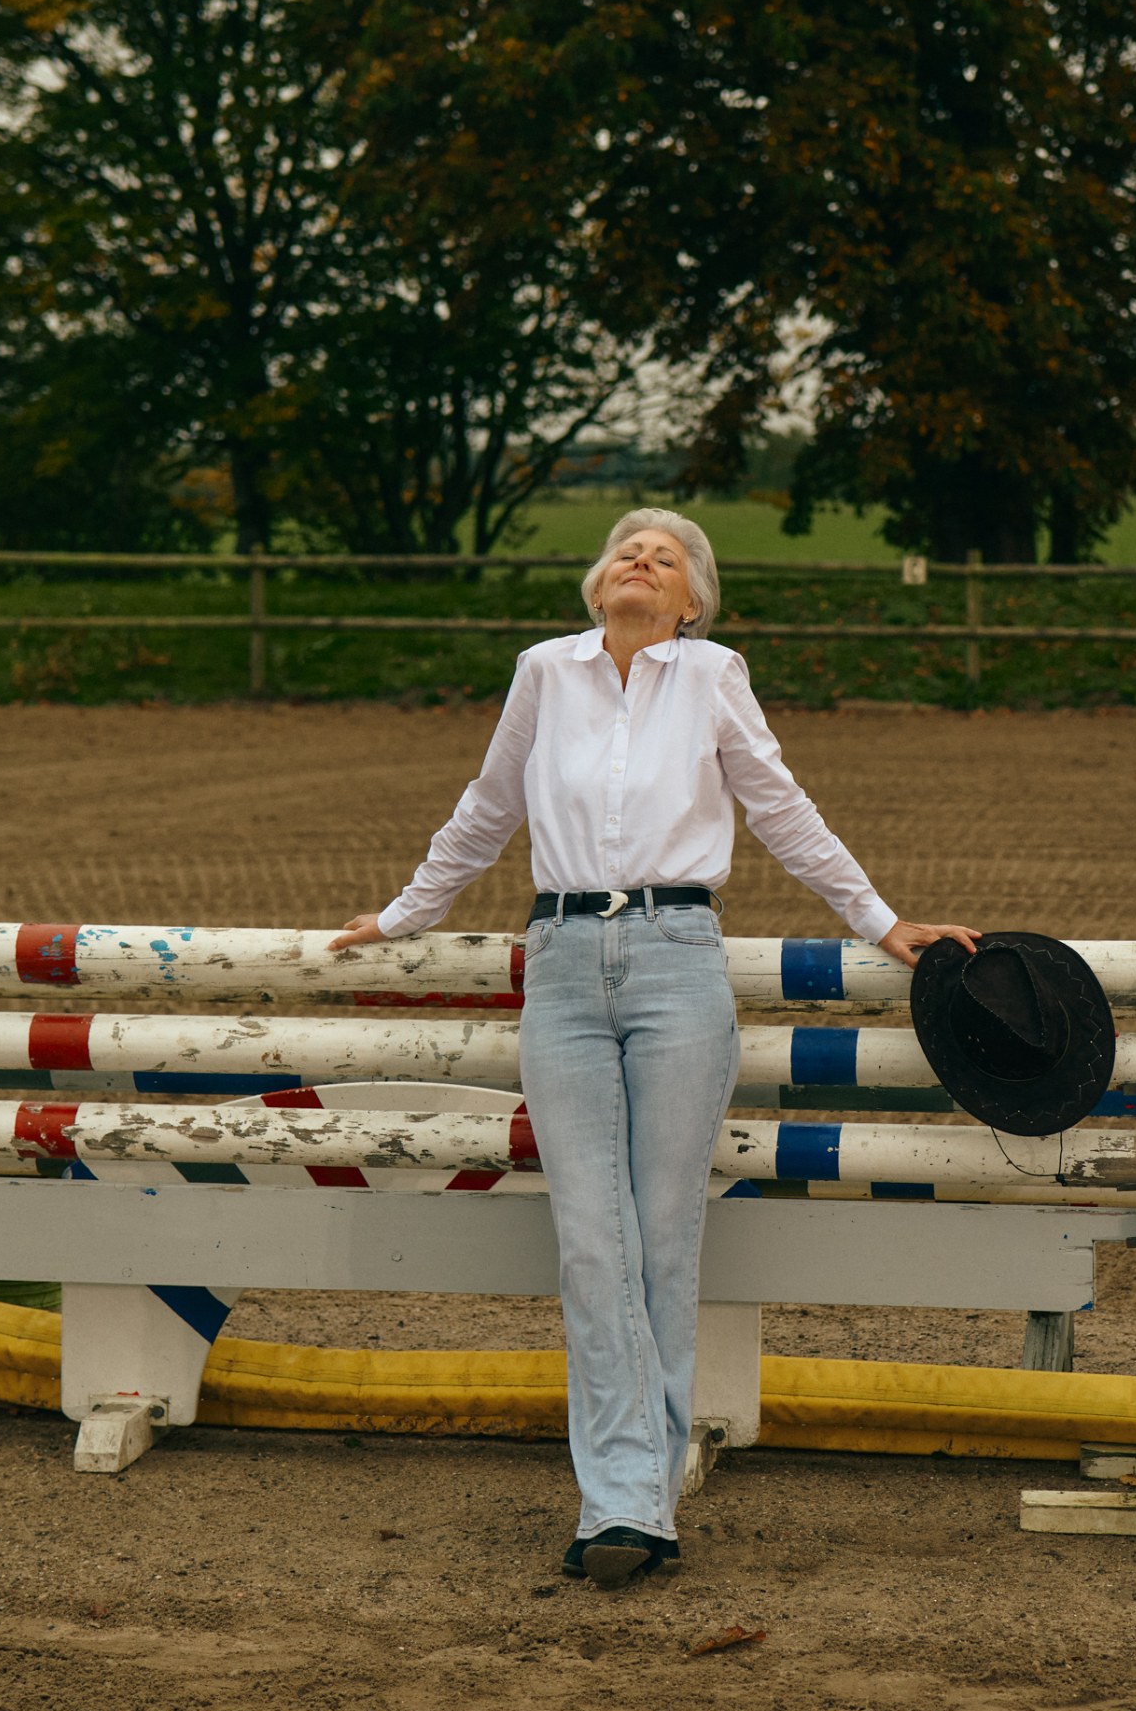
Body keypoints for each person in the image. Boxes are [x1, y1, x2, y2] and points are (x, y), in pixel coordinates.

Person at [331, 507, 976, 1588]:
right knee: (592, 1237)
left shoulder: (714, 674)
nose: (640, 561)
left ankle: (629, 1500)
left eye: (664, 557)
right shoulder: (543, 671)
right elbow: (486, 810)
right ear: (597, 586)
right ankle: (629, 1490)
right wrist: (400, 915)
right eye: (625, 550)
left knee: (663, 1236)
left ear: (691, 602)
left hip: (679, 955)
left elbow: (779, 807)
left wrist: (879, 921)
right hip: (564, 960)